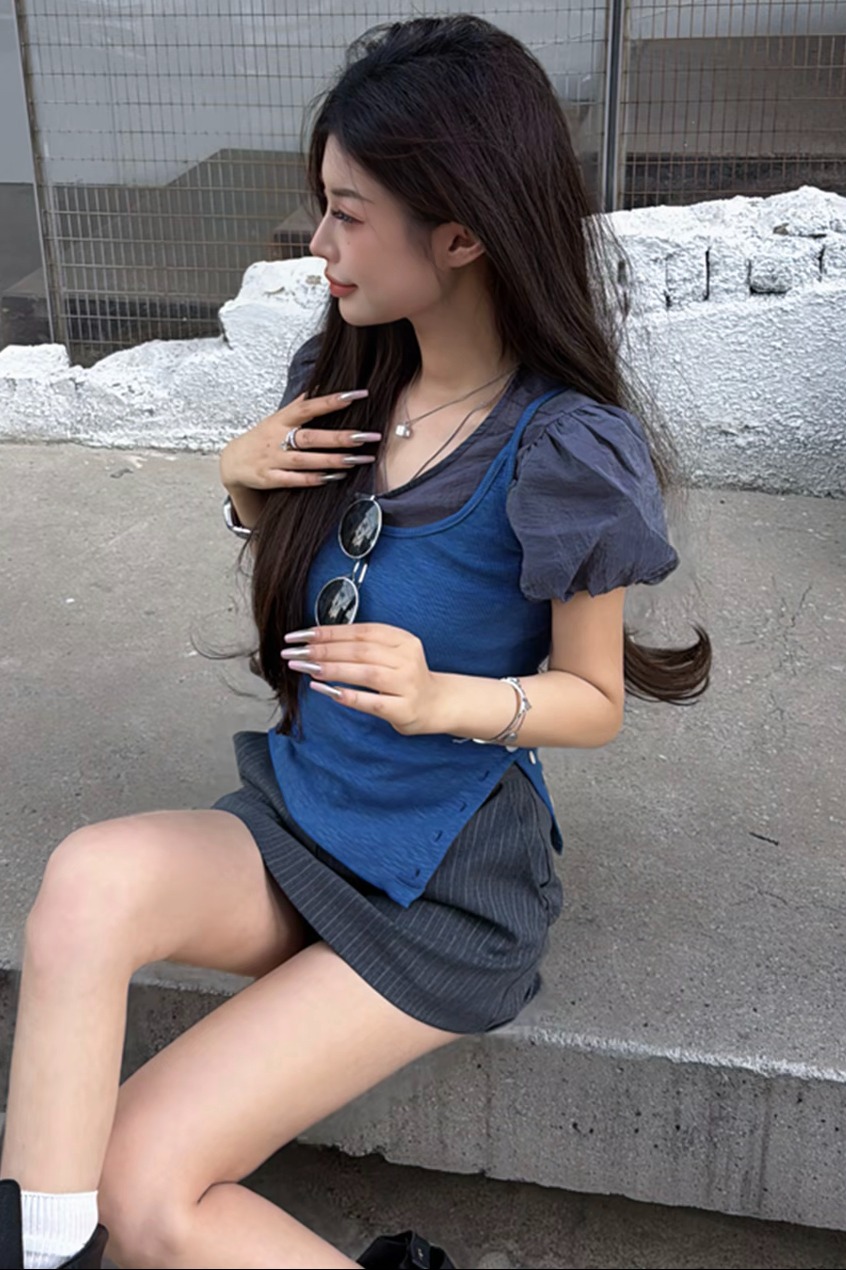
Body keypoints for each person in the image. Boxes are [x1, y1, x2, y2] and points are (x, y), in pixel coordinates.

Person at [0, 14, 712, 1270]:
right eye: (320, 205)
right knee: (89, 883)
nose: (316, 243)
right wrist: (241, 488)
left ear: (462, 232)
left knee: (150, 1198)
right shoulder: (343, 386)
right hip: (306, 817)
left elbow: (593, 697)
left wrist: (445, 696)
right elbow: (315, 580)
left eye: (346, 212)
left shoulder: (564, 448)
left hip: (445, 887)